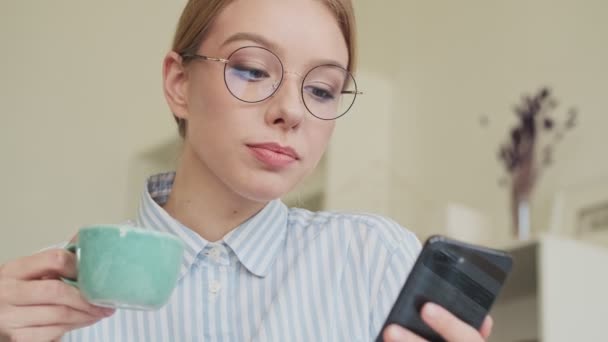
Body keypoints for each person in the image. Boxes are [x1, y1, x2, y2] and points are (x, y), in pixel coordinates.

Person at [0, 0, 494, 341]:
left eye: (322, 89)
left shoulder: (374, 259)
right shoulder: (56, 286)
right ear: (179, 83)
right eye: (254, 70)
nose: (291, 111)